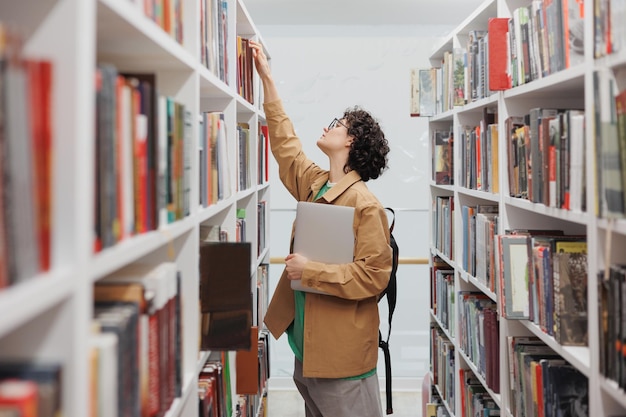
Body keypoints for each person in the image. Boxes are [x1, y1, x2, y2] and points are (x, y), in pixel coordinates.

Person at [250, 40, 393, 417]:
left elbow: (374, 276)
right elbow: (285, 147)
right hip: (308, 347)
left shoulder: (365, 204)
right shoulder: (316, 185)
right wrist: (267, 79)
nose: (327, 127)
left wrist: (309, 271)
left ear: (351, 140)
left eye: (337, 124)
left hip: (341, 357)